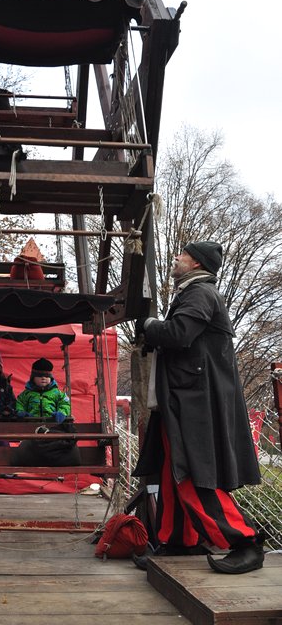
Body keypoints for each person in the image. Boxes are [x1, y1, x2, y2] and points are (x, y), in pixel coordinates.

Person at [133, 241, 263, 575]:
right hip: (182, 399)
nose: (176, 258)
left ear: (196, 264)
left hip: (193, 403)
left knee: (190, 472)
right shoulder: (192, 294)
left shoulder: (200, 294)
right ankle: (179, 540)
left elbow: (178, 334)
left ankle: (244, 541)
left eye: (182, 255)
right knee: (172, 472)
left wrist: (148, 326)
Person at [16, 358, 71, 422]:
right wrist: (21, 413)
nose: (43, 378)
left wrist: (61, 413)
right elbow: (20, 403)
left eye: (47, 376)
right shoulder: (26, 394)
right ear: (33, 378)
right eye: (39, 376)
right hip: (31, 425)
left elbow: (65, 404)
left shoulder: (57, 393)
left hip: (52, 425)